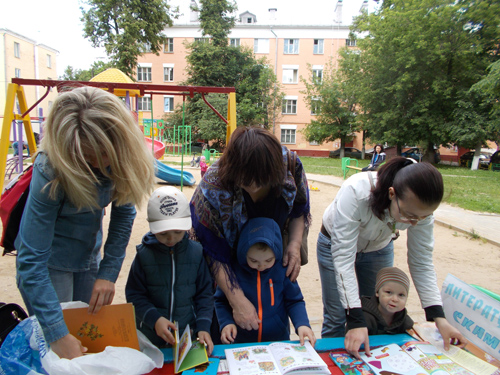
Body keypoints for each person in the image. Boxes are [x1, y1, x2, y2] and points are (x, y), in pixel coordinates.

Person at [15, 86, 156, 360]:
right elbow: (31, 262)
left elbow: (124, 211)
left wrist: (108, 272)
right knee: (61, 349)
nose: (101, 165)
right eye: (88, 157)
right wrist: (56, 333)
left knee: (90, 339)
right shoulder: (51, 168)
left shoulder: (122, 156)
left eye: (105, 154)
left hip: (87, 258)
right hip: (48, 265)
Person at [317, 157, 466, 359]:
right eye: (409, 215)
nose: (414, 223)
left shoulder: (420, 210)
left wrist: (439, 317)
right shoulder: (356, 191)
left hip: (378, 248)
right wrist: (354, 318)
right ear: (391, 193)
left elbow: (421, 261)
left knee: (376, 313)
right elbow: (343, 258)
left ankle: (368, 363)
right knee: (337, 316)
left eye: (422, 218)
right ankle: (330, 363)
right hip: (335, 244)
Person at [190, 126, 310, 335]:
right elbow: (212, 248)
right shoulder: (213, 184)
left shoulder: (289, 165)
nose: (254, 187)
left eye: (262, 180)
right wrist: (236, 301)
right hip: (227, 267)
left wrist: (294, 244)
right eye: (246, 180)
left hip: (269, 264)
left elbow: (300, 208)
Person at [126, 186, 214, 355]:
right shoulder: (143, 256)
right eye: (164, 232)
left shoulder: (196, 253)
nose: (171, 238)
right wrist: (154, 319)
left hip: (187, 335)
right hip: (150, 337)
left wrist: (203, 326)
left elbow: (205, 294)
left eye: (178, 231)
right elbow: (135, 295)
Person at [215, 217, 316, 347]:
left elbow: (294, 301)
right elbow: (220, 300)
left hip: (278, 343)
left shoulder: (282, 270)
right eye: (254, 261)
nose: (261, 266)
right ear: (243, 253)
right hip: (242, 344)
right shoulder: (233, 272)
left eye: (268, 261)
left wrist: (302, 325)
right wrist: (226, 323)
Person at [352, 267, 414, 336]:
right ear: (377, 292)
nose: (395, 299)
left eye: (401, 295)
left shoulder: (404, 319)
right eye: (389, 292)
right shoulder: (364, 318)